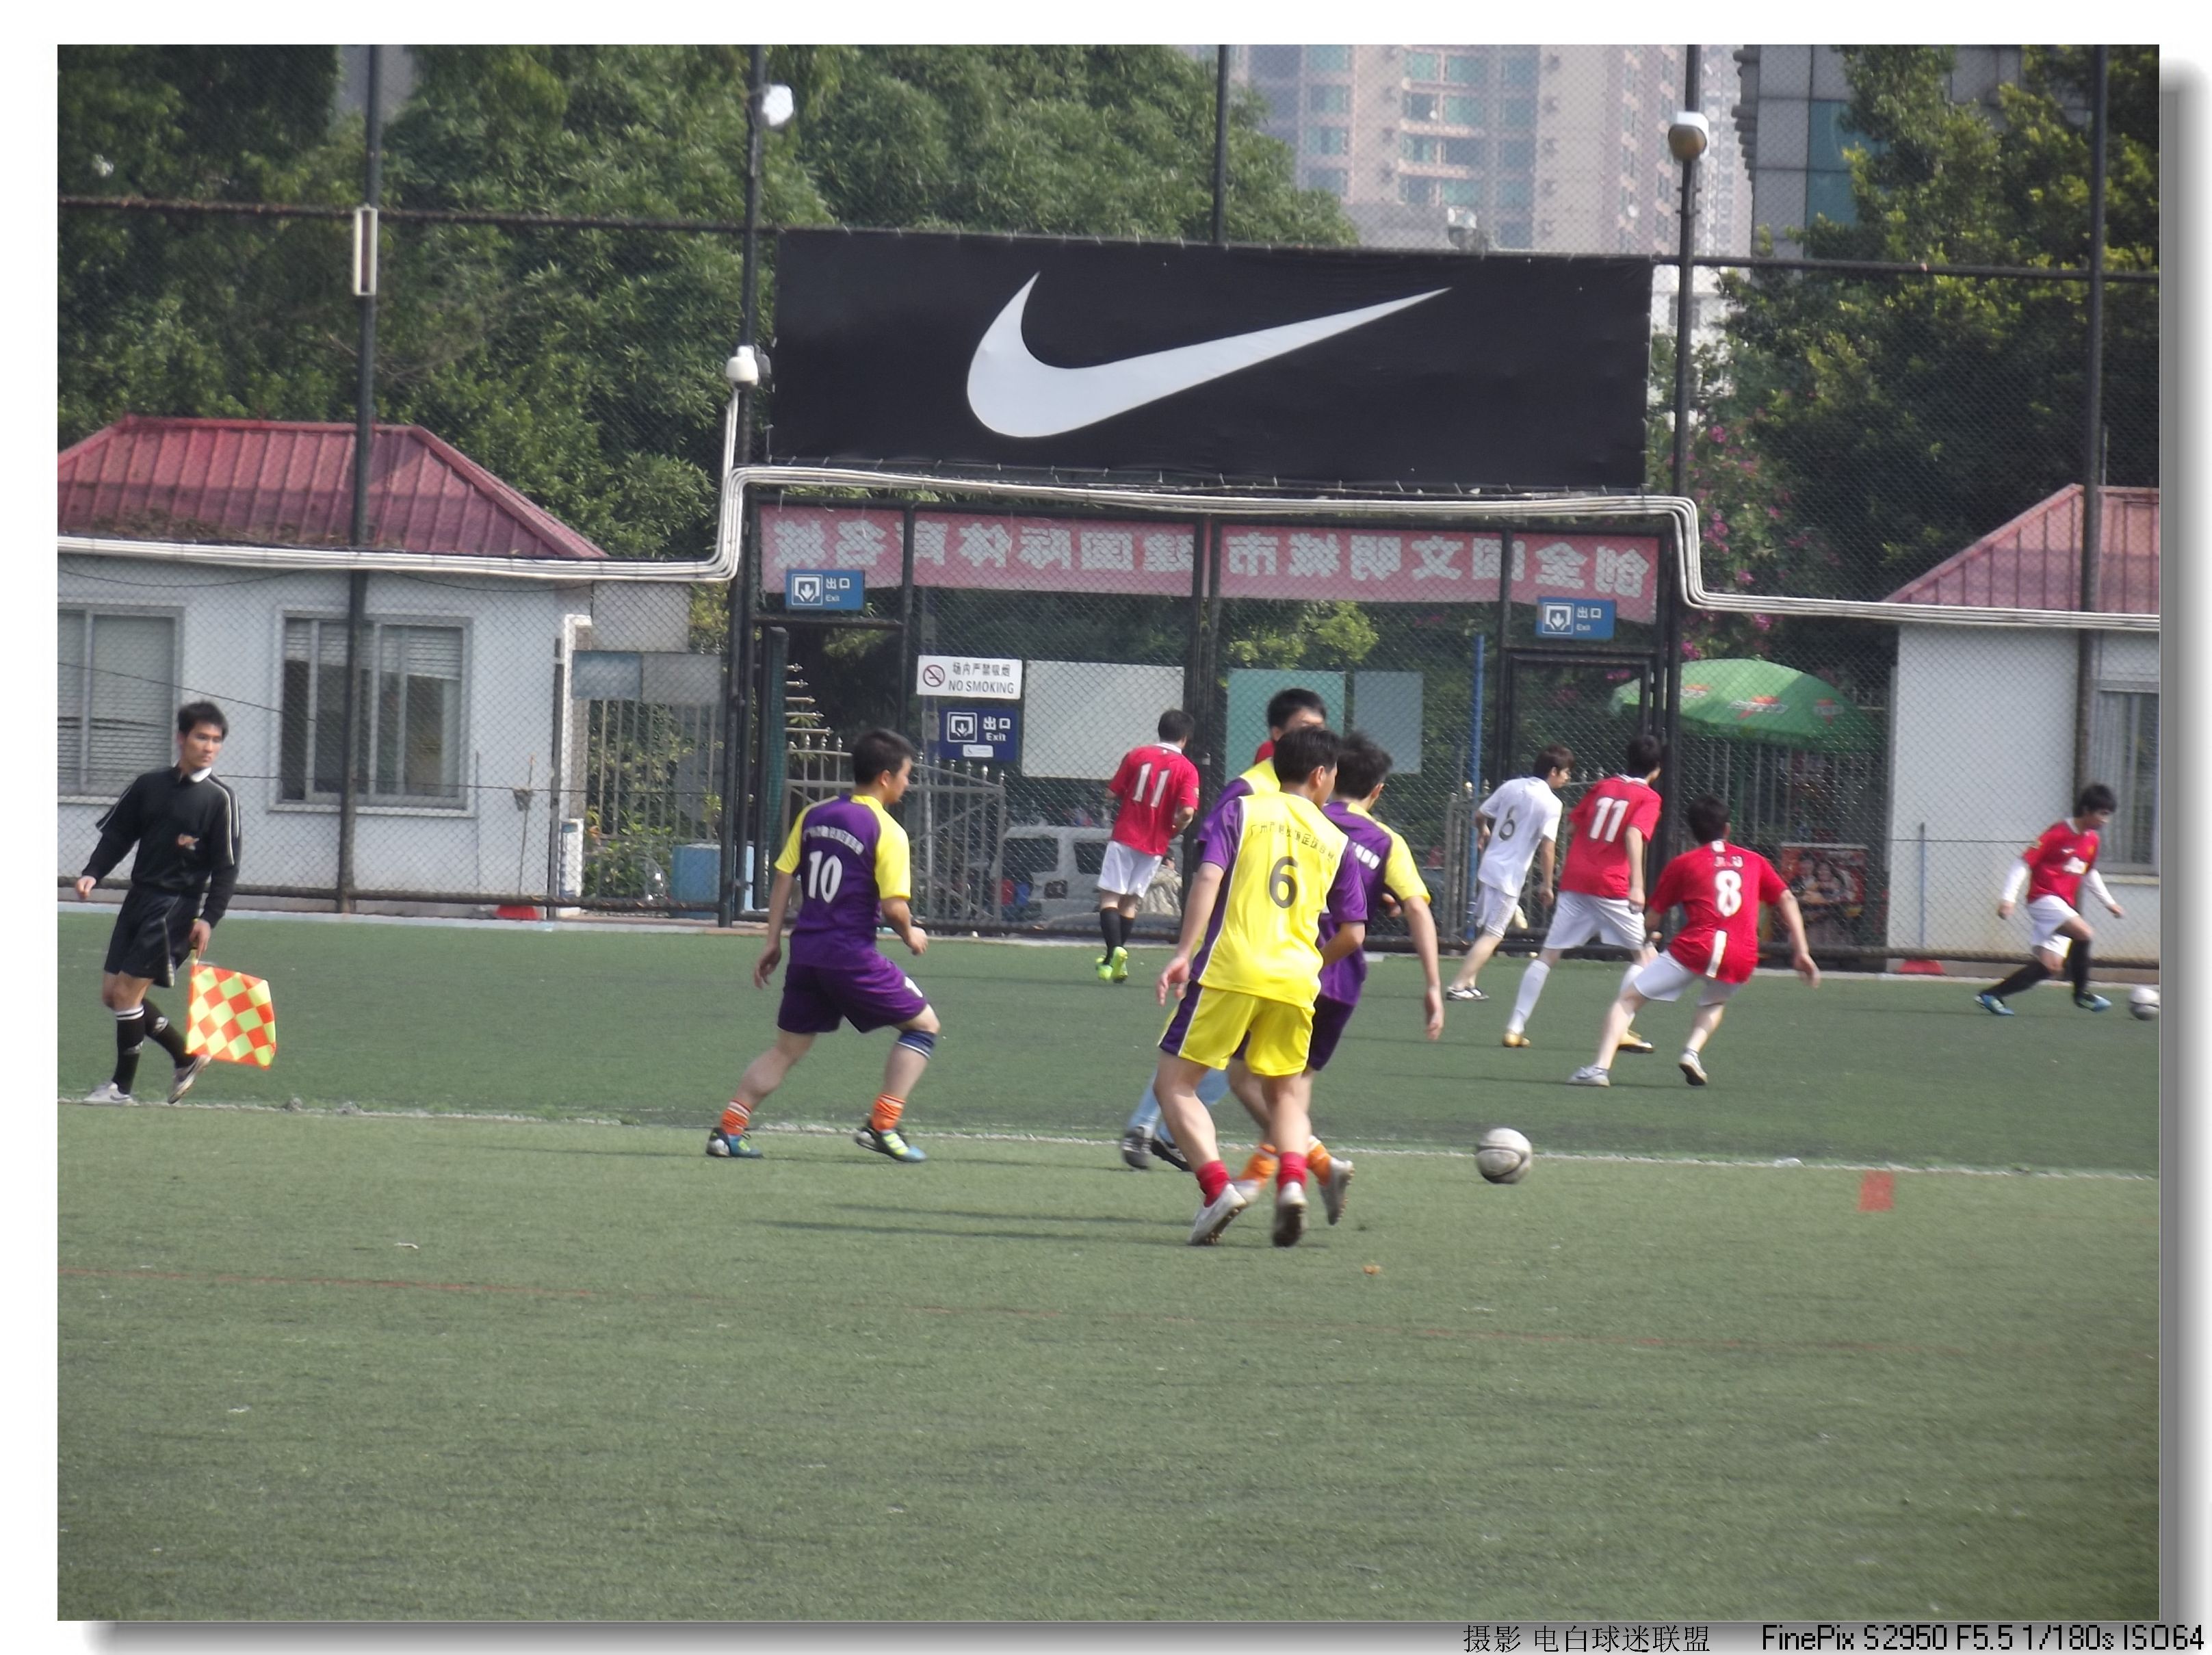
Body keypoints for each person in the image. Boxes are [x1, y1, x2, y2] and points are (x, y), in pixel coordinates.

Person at [1151, 725, 1366, 1247]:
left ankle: (1216, 1189)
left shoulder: (1242, 811)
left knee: (1174, 1084)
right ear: (1320, 775)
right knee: (1285, 1092)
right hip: (1295, 980)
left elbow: (1207, 878)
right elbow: (1354, 933)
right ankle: (1292, 1183)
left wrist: (1183, 952)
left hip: (1231, 968)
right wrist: (1311, 963)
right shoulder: (1335, 839)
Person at [1117, 685, 1329, 1169]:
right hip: (1235, 942)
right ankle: (1150, 1126)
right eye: (1304, 729)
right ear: (1276, 734)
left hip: (1281, 946)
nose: (1315, 738)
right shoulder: (1249, 790)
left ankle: (1159, 1128)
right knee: (1208, 1050)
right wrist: (1191, 946)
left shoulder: (1311, 794)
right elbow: (1211, 865)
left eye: (1319, 730)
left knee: (1235, 1056)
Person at [707, 729, 939, 1164]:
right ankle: (883, 1125)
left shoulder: (815, 814)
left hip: (807, 954)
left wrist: (772, 941)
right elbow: (894, 907)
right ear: (886, 777)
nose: (908, 784)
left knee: (787, 1049)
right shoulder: (888, 831)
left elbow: (784, 875)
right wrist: (911, 933)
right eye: (906, 775)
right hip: (850, 956)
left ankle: (729, 1130)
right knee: (924, 1026)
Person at [1570, 794, 1819, 1087]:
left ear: (1692, 832)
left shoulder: (1684, 863)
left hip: (1696, 947)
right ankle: (1691, 1052)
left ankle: (1599, 1069)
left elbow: (1653, 918)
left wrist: (1646, 941)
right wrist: (1801, 951)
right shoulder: (1754, 861)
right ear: (1727, 828)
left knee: (1627, 1000)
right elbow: (1787, 898)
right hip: (1741, 953)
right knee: (1715, 1001)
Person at [75, 701, 240, 1105]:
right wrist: (94, 871)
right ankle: (186, 1057)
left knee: (127, 995)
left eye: (216, 740)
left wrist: (209, 918)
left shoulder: (220, 799)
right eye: (201, 737)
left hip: (174, 909)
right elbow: (118, 835)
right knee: (113, 994)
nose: (209, 747)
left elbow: (226, 869)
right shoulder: (149, 785)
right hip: (139, 900)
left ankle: (120, 1089)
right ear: (181, 738)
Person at [1499, 732, 1667, 1053]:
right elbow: (1634, 835)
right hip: (1612, 884)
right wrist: (1638, 885)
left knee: (1548, 956)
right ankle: (1620, 1029)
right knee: (1646, 957)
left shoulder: (1603, 786)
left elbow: (1574, 826)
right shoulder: (1649, 798)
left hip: (1576, 879)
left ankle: (1514, 1028)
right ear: (1656, 769)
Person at [1977, 784, 2126, 1016]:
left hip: (2062, 905)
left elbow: (2089, 873)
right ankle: (2082, 994)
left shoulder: (2092, 840)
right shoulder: (2058, 832)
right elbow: (2023, 862)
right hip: (2043, 898)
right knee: (2085, 933)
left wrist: (2109, 903)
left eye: (2108, 815)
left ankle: (1991, 995)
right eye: (2102, 814)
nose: (2105, 820)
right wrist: (2008, 899)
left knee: (2050, 966)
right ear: (2086, 810)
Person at [1446, 744, 1573, 1002]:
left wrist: (1483, 830)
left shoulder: (1512, 786)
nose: (1568, 777)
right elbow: (1548, 847)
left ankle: (1469, 981)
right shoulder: (1552, 803)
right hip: (1508, 876)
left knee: (1488, 930)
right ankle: (1458, 984)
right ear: (1553, 771)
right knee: (1495, 933)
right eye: (1566, 772)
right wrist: (1547, 884)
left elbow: (1480, 815)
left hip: (1490, 866)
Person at [1095, 710, 1201, 984]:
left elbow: (1111, 793)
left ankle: (1113, 953)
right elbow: (1188, 812)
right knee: (1131, 901)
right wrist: (1175, 828)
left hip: (1126, 835)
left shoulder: (1137, 755)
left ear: (1160, 730)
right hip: (1155, 843)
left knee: (1110, 897)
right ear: (1185, 738)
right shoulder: (1188, 769)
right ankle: (1115, 959)